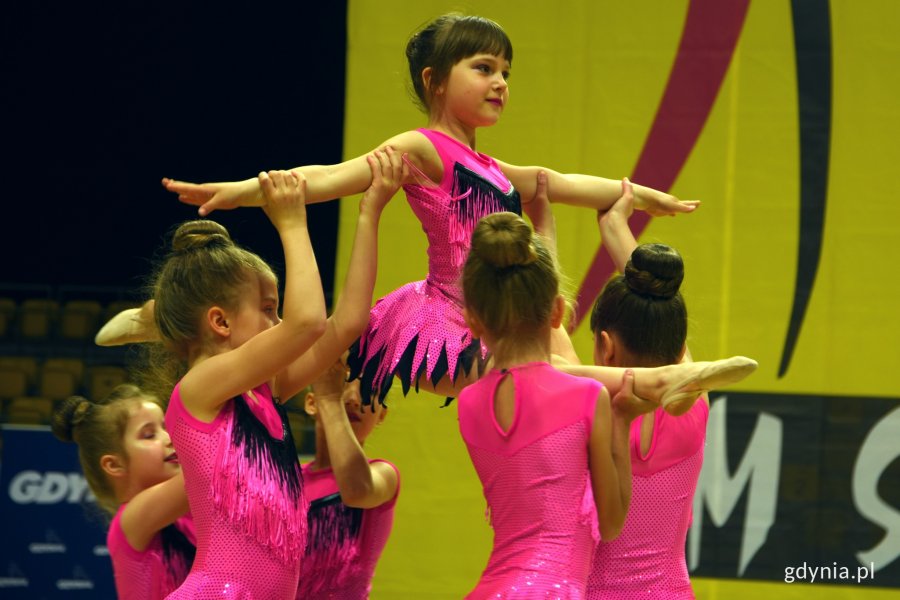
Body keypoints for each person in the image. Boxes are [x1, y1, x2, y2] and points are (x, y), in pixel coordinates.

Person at [161, 13, 701, 405]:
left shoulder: (489, 166)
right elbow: (329, 177)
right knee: (554, 373)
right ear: (435, 80)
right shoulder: (424, 147)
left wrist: (640, 193)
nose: (500, 83)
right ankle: (657, 380)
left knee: (565, 375)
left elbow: (554, 182)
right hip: (449, 319)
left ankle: (653, 385)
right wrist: (241, 189)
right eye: (484, 68)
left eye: (506, 73)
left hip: (500, 311)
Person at [153, 152, 402, 598]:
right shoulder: (198, 388)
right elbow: (307, 321)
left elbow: (344, 324)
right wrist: (291, 223)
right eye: (267, 310)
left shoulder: (264, 392)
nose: (276, 323)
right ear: (220, 322)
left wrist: (371, 212)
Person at [456, 211, 655, 598]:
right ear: (558, 313)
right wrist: (622, 420)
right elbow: (612, 522)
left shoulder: (468, 404)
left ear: (473, 322)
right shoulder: (585, 396)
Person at [584, 179, 711, 598]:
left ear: (604, 347)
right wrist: (616, 229)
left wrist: (614, 222)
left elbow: (536, 358)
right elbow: (663, 320)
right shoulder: (695, 400)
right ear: (678, 350)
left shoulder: (583, 408)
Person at [52, 385, 195, 600]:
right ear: (114, 465)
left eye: (166, 426)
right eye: (149, 435)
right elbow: (204, 472)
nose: (169, 438)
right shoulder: (132, 518)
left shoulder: (187, 514)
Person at [296, 359, 399, 599]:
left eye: (367, 391)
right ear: (311, 403)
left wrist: (330, 399)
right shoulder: (289, 479)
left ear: (381, 414)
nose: (354, 398)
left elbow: (357, 490)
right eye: (341, 384)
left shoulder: (383, 474)